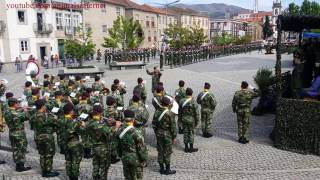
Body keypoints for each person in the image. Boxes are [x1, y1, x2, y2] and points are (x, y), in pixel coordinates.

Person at [87, 104, 120, 180]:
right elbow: (110, 133)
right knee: (104, 167)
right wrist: (116, 127)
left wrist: (106, 122)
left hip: (94, 147)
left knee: (96, 165)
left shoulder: (90, 122)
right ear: (99, 113)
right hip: (103, 148)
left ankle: (95, 177)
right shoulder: (100, 125)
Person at [116, 110, 148, 180]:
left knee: (127, 176)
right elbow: (141, 149)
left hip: (125, 157)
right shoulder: (136, 132)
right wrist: (145, 159)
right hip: (135, 159)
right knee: (137, 177)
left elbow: (117, 146)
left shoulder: (119, 130)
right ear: (133, 119)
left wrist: (121, 155)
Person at [33, 99, 59, 177]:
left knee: (42, 154)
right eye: (45, 105)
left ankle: (44, 170)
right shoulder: (46, 117)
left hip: (38, 136)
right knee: (48, 154)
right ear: (43, 106)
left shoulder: (34, 115)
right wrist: (55, 118)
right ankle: (48, 171)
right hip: (47, 137)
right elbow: (56, 123)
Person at [4, 98, 32, 172]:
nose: (18, 104)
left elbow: (15, 113)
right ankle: (21, 166)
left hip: (11, 132)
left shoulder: (7, 111)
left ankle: (18, 165)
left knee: (15, 149)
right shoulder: (15, 114)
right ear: (14, 104)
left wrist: (20, 109)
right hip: (19, 133)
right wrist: (25, 110)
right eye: (17, 103)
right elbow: (26, 117)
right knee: (22, 149)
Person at [152, 96, 177, 175]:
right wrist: (174, 136)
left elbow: (154, 124)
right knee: (167, 151)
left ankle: (161, 169)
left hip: (159, 134)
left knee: (160, 150)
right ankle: (167, 169)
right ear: (168, 104)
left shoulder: (156, 112)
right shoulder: (170, 114)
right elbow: (173, 127)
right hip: (167, 135)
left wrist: (157, 132)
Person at [63, 103, 85, 180]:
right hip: (74, 143)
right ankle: (74, 177)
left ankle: (70, 176)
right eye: (72, 110)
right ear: (70, 111)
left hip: (64, 143)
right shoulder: (73, 122)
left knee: (68, 160)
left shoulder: (61, 119)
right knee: (75, 161)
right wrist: (83, 125)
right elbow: (82, 131)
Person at [179, 88, 199, 153]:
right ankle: (191, 147)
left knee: (185, 133)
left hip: (184, 119)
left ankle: (186, 148)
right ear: (191, 93)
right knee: (191, 133)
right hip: (191, 120)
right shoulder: (193, 102)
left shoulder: (181, 101)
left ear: (186, 93)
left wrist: (180, 120)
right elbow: (196, 113)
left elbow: (180, 111)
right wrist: (197, 121)